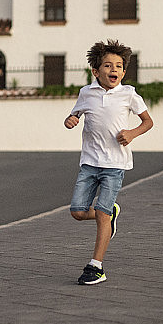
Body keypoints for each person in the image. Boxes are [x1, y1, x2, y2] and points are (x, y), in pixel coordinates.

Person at [64, 40, 153, 285]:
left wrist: (132, 133)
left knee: (101, 213)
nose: (114, 69)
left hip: (115, 165)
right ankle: (111, 213)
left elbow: (148, 121)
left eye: (119, 66)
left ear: (123, 72)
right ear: (95, 71)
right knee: (78, 212)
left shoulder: (129, 94)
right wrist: (70, 120)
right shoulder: (86, 93)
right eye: (107, 65)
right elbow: (74, 114)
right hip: (89, 163)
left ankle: (96, 266)